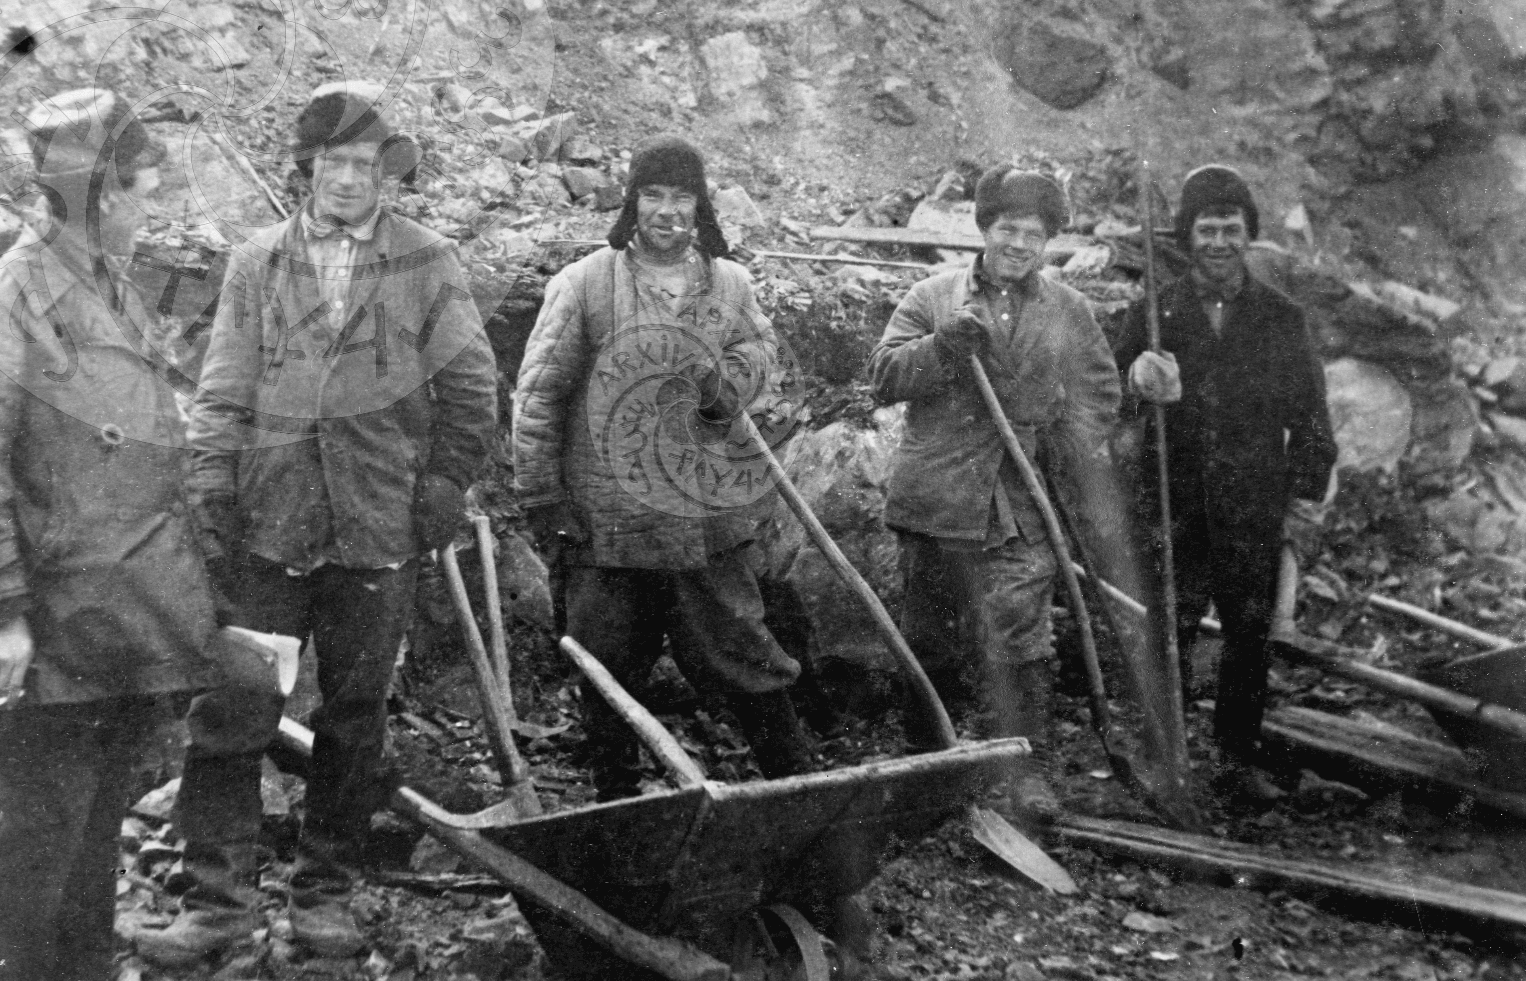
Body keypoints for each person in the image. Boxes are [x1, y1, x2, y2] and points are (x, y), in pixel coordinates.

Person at [132, 82, 498, 965]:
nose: (347, 180)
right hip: (273, 526)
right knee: (236, 706)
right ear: (308, 169)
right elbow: (223, 388)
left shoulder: (426, 261)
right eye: (332, 163)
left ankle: (324, 894)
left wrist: (441, 482)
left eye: (363, 165)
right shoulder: (259, 260)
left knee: (355, 714)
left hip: (378, 530)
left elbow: (472, 386)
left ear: (386, 175)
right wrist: (214, 489)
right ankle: (216, 901)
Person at [0, 88, 216, 981]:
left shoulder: (105, 285)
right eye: (136, 189)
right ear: (93, 193)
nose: (148, 208)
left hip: (120, 603)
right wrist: (1, 612)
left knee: (94, 814)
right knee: (43, 824)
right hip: (51, 606)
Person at [511, 135, 812, 800]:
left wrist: (724, 381)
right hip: (608, 522)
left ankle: (806, 800)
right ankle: (617, 809)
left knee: (744, 654)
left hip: (705, 520)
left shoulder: (728, 284)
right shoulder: (585, 284)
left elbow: (760, 355)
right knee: (606, 670)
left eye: (682, 197)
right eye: (654, 195)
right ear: (633, 203)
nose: (668, 211)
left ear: (700, 207)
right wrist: (542, 497)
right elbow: (538, 396)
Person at [869, 168, 1120, 828]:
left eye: (1032, 234)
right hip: (937, 496)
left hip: (1020, 498)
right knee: (932, 636)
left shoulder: (1067, 312)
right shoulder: (932, 295)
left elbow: (1098, 395)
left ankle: (1023, 770)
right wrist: (940, 349)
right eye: (1006, 229)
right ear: (983, 231)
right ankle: (927, 765)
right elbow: (883, 376)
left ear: (1047, 243)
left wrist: (1065, 443)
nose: (1017, 243)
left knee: (1020, 633)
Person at [1111, 164, 1337, 804]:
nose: (1218, 241)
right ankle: (1165, 758)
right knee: (1169, 631)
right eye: (1206, 229)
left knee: (1248, 635)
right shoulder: (1155, 312)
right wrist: (1138, 381)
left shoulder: (1279, 318)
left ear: (1248, 235)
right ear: (1187, 237)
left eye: (1230, 229)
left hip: (1251, 509)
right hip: (1174, 504)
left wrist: (1302, 499)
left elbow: (1311, 419)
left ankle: (1236, 760)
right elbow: (1110, 403)